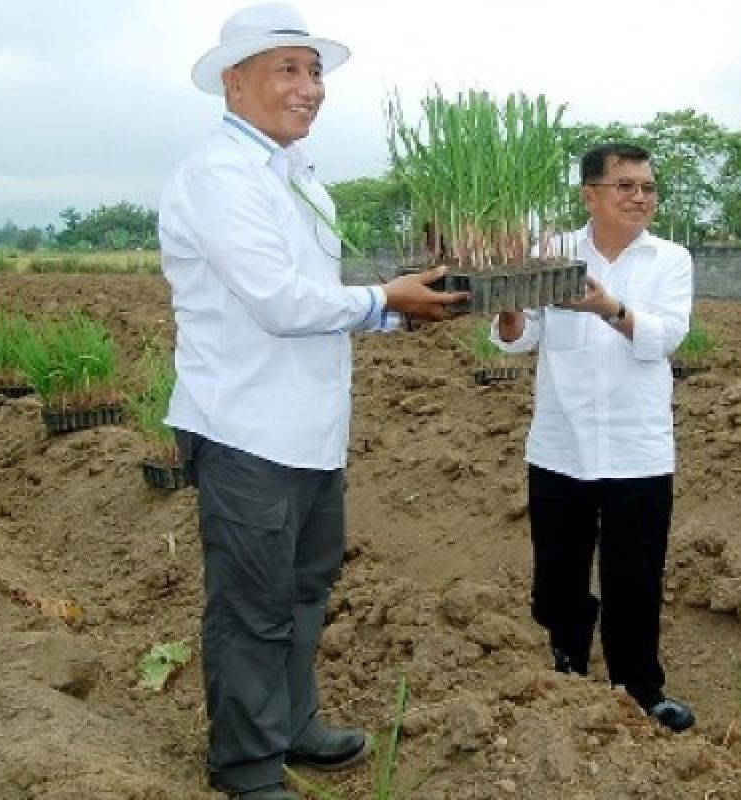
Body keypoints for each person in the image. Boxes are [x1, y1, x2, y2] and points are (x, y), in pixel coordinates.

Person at [158, 4, 464, 798]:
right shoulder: (221, 174)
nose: (309, 88)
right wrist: (384, 299)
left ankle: (291, 723)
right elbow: (281, 301)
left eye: (314, 71)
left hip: (307, 429)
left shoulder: (298, 178)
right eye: (287, 69)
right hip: (246, 429)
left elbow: (327, 299)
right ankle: (248, 765)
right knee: (252, 604)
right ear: (235, 81)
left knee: (303, 587)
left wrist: (406, 309)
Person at [491, 143, 696, 733]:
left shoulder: (669, 259)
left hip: (638, 449)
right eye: (625, 185)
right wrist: (507, 311)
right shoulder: (551, 254)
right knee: (558, 573)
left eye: (648, 188)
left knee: (635, 574)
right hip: (561, 443)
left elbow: (667, 336)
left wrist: (611, 308)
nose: (640, 197)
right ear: (590, 194)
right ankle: (567, 667)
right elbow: (519, 336)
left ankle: (640, 688)